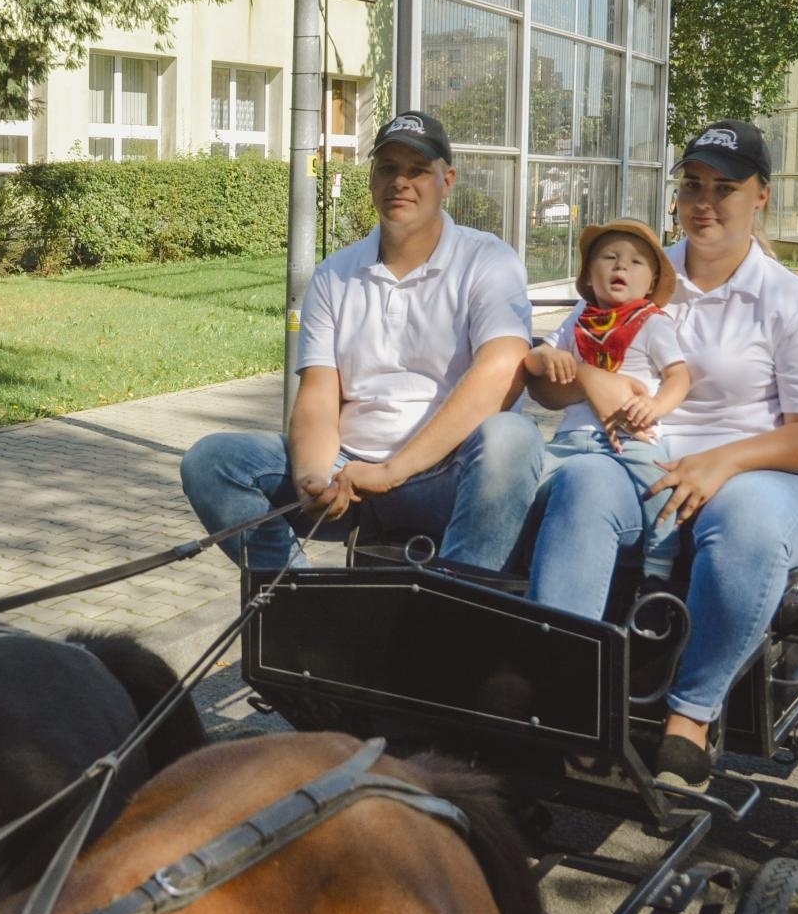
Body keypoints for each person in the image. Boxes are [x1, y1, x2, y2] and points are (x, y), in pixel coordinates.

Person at [524, 120, 798, 789]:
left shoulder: (791, 302)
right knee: (581, 486)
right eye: (691, 185)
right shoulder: (638, 271)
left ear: (761, 195)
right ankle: (571, 703)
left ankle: (690, 718)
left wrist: (722, 462)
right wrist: (564, 372)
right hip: (637, 464)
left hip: (764, 471)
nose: (704, 202)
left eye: (724, 188)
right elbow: (553, 384)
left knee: (745, 519)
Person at [180, 111, 544, 570]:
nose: (400, 182)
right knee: (212, 461)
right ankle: (300, 603)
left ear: (447, 181)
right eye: (388, 168)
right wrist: (313, 477)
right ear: (372, 178)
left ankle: (457, 607)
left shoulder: (488, 259)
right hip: (349, 475)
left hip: (448, 477)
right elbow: (318, 393)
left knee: (514, 437)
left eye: (417, 171)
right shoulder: (335, 274)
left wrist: (392, 472)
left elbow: (504, 371)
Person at [524, 218, 691, 581]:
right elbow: (532, 361)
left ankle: (661, 561)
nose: (620, 266)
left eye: (635, 263)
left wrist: (657, 406)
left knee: (660, 486)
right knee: (528, 484)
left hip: (633, 436)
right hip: (572, 436)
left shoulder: (653, 323)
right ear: (587, 277)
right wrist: (547, 356)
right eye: (610, 257)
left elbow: (679, 376)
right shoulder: (577, 321)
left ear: (650, 285)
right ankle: (521, 556)